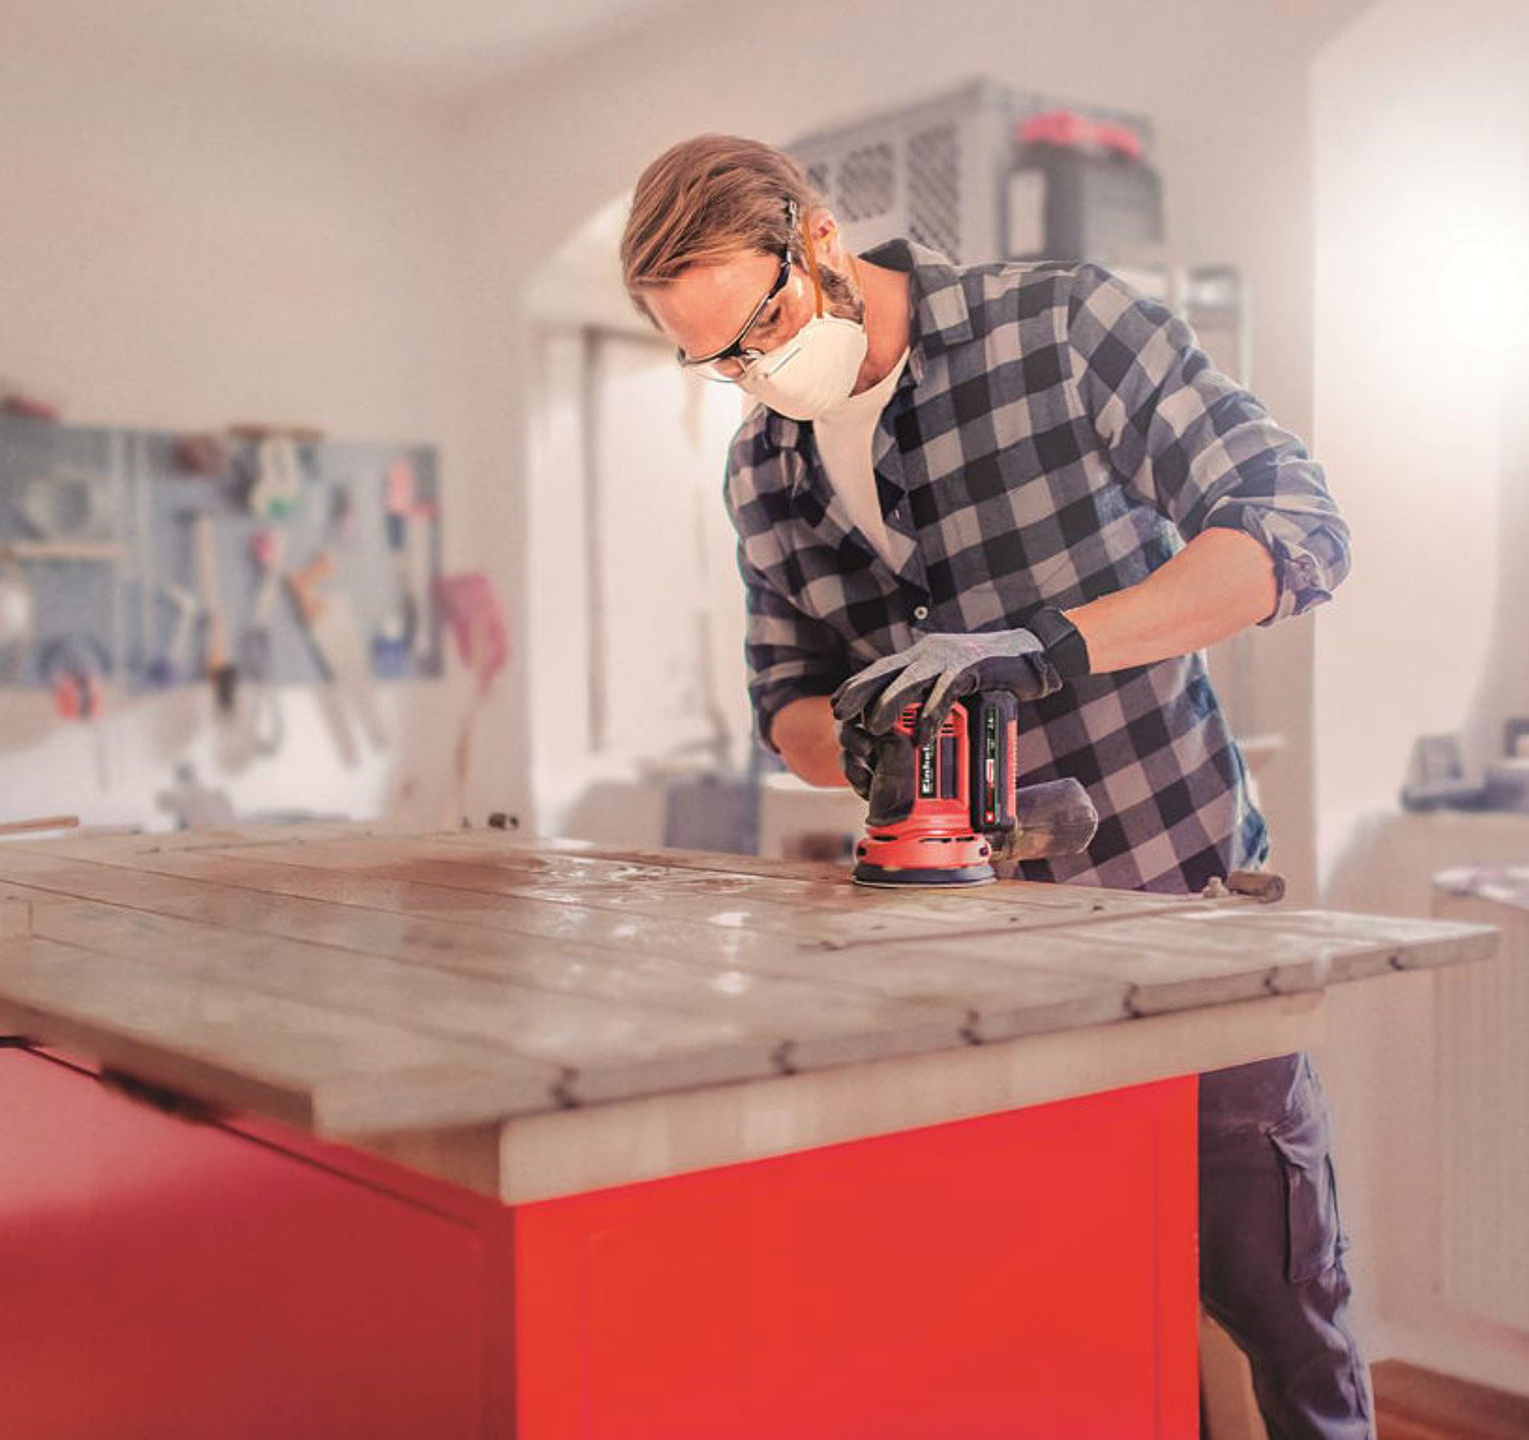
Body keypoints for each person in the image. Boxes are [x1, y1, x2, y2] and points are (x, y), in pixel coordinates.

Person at [620, 134, 1366, 1440]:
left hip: (1178, 903)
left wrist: (1060, 643)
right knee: (1068, 1333)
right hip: (962, 986)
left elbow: (1294, 530)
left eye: (769, 324)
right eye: (719, 359)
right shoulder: (768, 473)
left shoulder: (1062, 328)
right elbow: (784, 705)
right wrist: (850, 739)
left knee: (1281, 1314)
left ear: (821, 236)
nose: (756, 373)